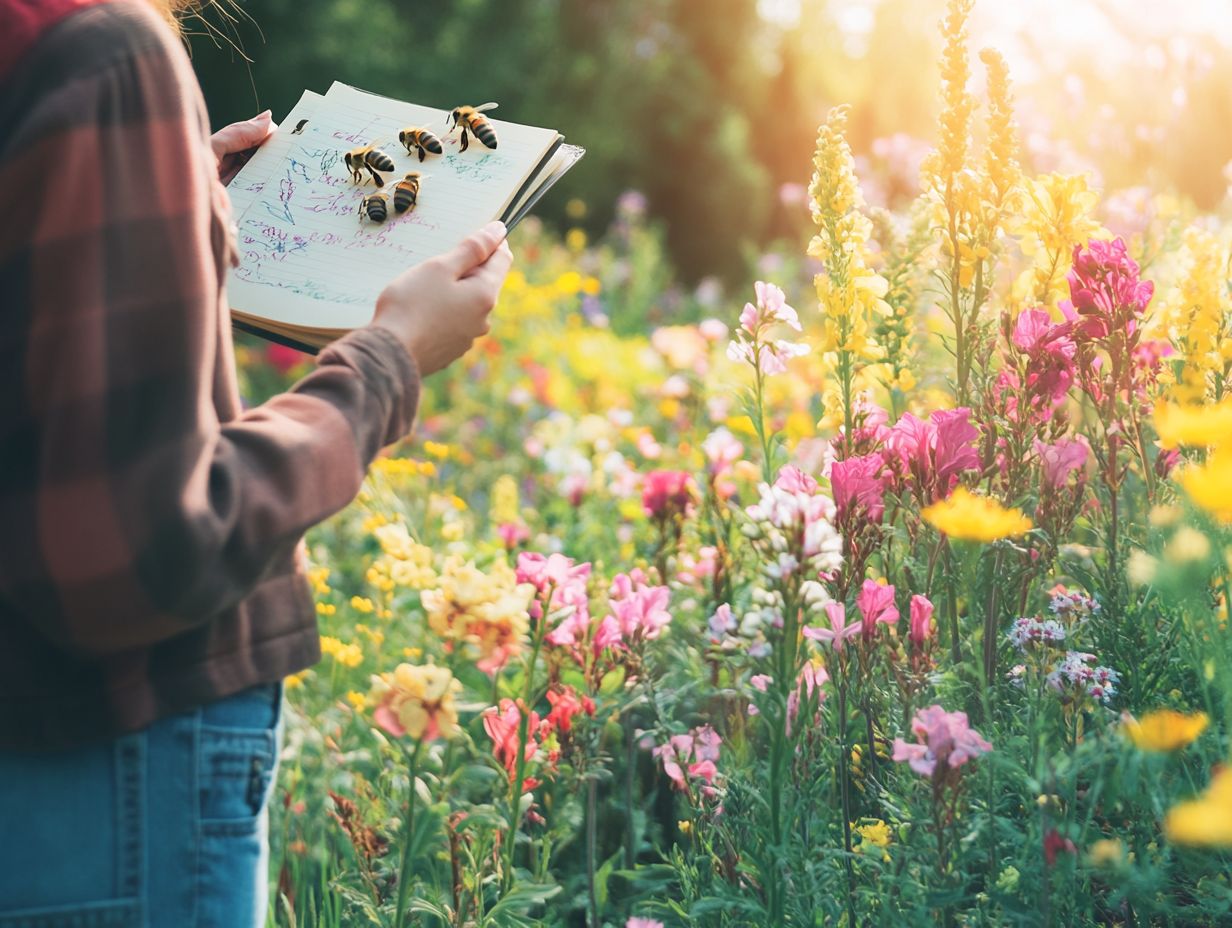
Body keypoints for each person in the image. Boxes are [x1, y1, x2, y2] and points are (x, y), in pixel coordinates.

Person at [0, 0, 513, 924]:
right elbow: (143, 551)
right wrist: (386, 359)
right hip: (109, 772)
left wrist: (169, 210)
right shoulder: (101, 52)